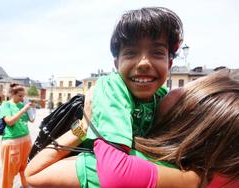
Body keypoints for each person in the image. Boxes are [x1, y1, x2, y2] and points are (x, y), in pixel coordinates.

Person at [25, 7, 201, 187]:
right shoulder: (112, 87)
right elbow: (116, 172)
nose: (144, 63)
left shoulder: (161, 97)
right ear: (117, 63)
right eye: (131, 53)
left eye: (157, 52)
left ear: (169, 63)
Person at [93, 69, 239, 187]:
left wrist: (190, 180)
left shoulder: (130, 162)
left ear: (190, 108)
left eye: (183, 88)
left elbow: (116, 175)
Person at [0, 83, 35, 188]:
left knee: (26, 168)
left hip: (26, 140)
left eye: (23, 96)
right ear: (13, 94)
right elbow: (9, 121)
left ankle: (26, 185)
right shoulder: (6, 105)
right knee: (9, 171)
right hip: (12, 141)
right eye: (20, 96)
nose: (22, 98)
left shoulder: (22, 104)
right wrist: (23, 110)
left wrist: (31, 109)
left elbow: (32, 120)